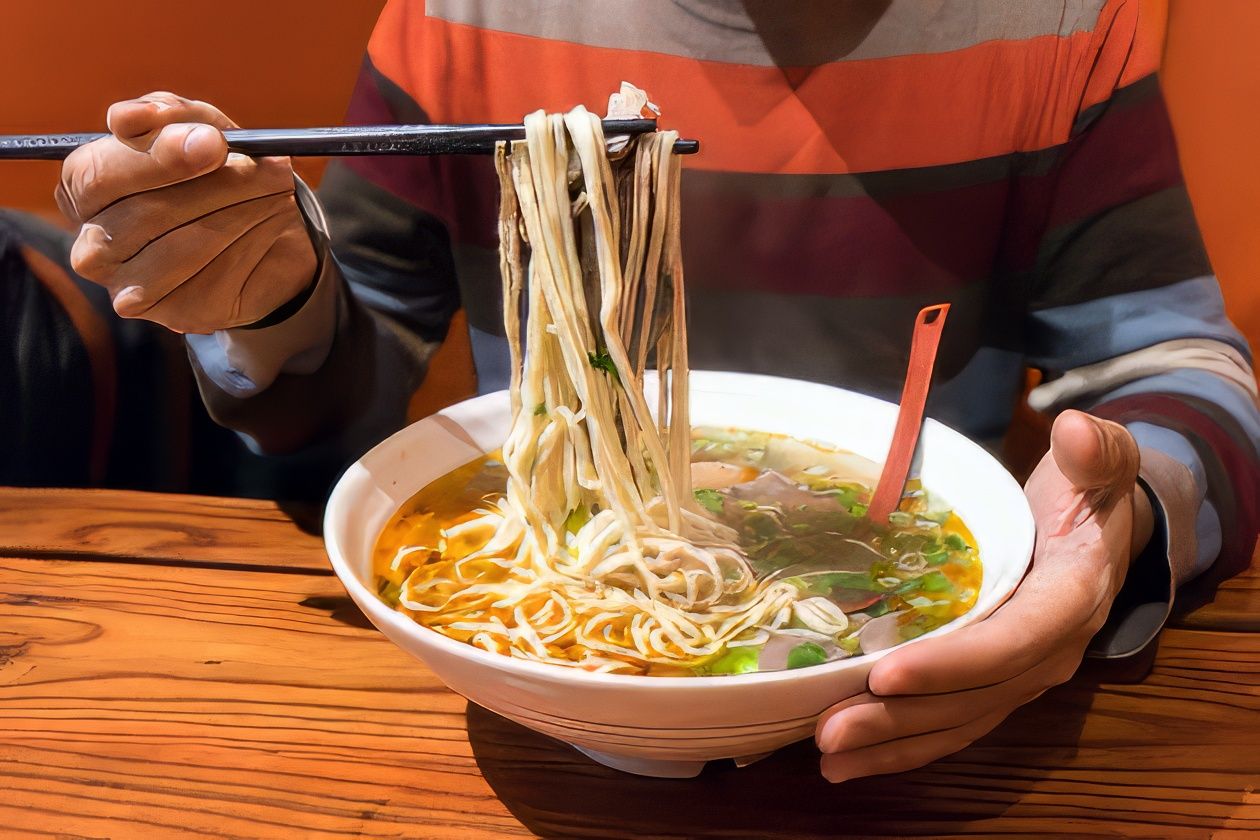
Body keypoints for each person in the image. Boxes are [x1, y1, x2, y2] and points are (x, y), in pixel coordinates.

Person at [54, 0, 1259, 782]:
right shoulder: (458, 16)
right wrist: (263, 297)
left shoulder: (1057, 27)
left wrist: (1115, 521)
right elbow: (353, 388)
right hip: (521, 678)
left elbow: (1183, 370)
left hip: (913, 716)